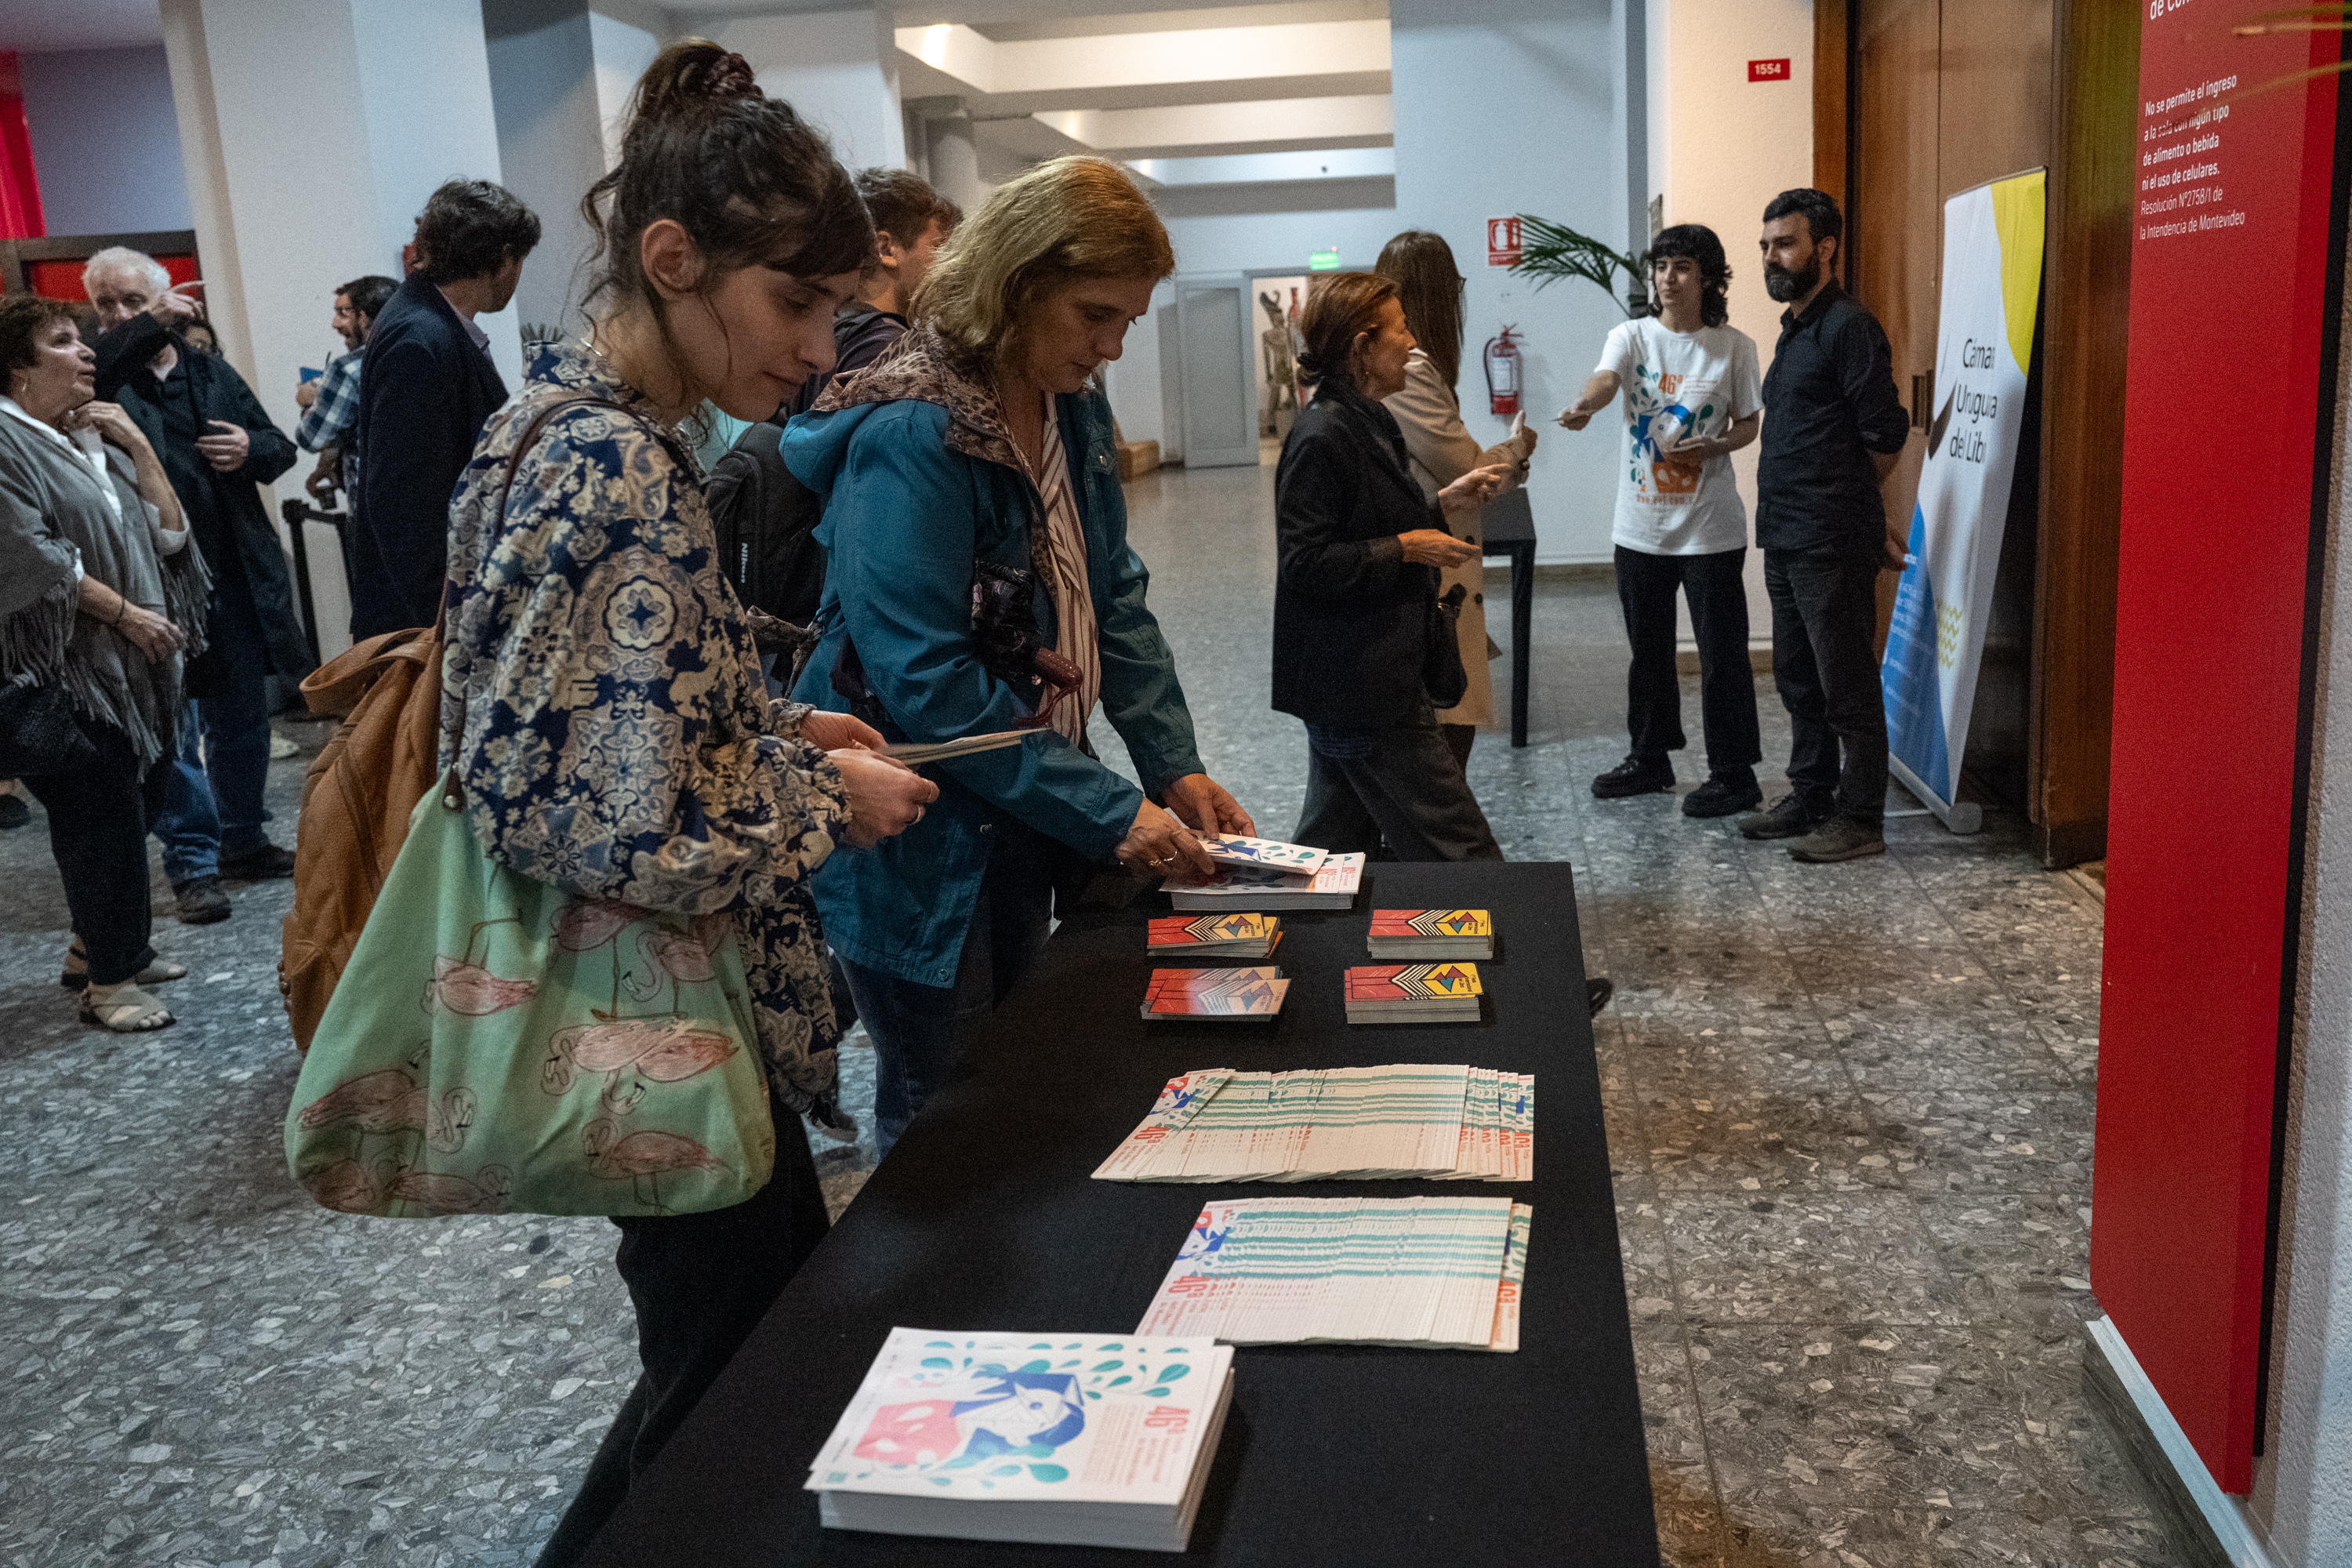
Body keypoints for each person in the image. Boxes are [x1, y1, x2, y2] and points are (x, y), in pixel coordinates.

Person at [437, 43, 937, 1565]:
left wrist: (770, 721)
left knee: (732, 1351)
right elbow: (599, 817)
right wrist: (816, 797)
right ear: (673, 260)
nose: (813, 350)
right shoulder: (617, 467)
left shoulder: (569, 429)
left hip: (664, 1010)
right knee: (738, 1384)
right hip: (655, 1016)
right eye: (793, 305)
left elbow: (592, 721)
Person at [788, 154, 1255, 1157]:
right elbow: (924, 678)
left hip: (1019, 798)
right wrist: (1104, 805)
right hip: (921, 831)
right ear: (1017, 284)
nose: (1112, 346)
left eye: (1128, 320)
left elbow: (1112, 592)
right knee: (945, 1107)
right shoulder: (916, 430)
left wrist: (1172, 762)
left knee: (1020, 1067)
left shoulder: (1069, 403)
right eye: (1096, 314)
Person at [0, 295, 207, 1029]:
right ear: (18, 368)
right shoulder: (6, 441)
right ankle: (111, 985)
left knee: (140, 797)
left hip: (138, 662)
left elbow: (172, 538)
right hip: (69, 668)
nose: (88, 351)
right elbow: (32, 559)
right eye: (63, 341)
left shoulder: (89, 436)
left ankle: (103, 945)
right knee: (102, 815)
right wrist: (126, 614)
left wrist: (140, 446)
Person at [87, 245, 309, 918]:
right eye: (108, 304)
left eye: (133, 300)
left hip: (233, 571)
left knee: (241, 712)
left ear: (163, 298)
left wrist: (249, 449)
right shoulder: (101, 380)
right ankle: (194, 862)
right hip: (151, 578)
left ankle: (243, 838)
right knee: (175, 722)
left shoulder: (211, 371)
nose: (121, 315)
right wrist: (149, 321)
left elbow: (279, 447)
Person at [1272, 270, 1508, 862]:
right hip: (1361, 682)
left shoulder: (1370, 420)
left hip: (1364, 676)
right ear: (1361, 346)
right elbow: (1305, 562)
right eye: (1401, 331)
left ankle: (1309, 949)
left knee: (1333, 854)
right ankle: (1487, 941)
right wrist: (1406, 548)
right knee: (1463, 853)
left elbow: (1368, 523)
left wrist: (1442, 504)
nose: (1413, 344)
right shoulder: (1321, 435)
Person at [1559, 223, 1765, 818]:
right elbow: (1608, 379)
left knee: (1721, 654)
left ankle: (1734, 774)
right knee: (1647, 652)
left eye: (1681, 267)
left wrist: (1717, 448)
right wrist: (1587, 405)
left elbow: (1750, 423)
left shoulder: (1735, 347)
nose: (1668, 278)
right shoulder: (1632, 336)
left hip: (1711, 529)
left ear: (1707, 278)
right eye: (1662, 266)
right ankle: (1650, 759)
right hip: (1641, 528)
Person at [1742, 188, 1911, 862]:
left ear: (1826, 248)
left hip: (1828, 541)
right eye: (1765, 246)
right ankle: (1810, 795)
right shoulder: (1796, 327)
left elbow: (1884, 433)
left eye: (1784, 243)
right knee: (1798, 677)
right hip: (1784, 535)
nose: (1771, 258)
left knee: (1846, 683)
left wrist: (1852, 508)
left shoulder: (1849, 327)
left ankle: (1861, 818)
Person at [349, 178, 541, 639]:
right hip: (426, 624)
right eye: (521, 261)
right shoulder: (421, 338)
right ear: (502, 258)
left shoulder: (426, 320)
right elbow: (403, 501)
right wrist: (452, 625)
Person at [1374, 230, 1537, 771]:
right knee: (1445, 749)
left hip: (1425, 569)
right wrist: (1517, 447)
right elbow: (1472, 472)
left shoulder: (1407, 370)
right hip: (1431, 572)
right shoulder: (1415, 371)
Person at [780, 165, 960, 418]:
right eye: (940, 248)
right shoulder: (887, 347)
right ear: (886, 249)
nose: (952, 265)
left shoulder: (828, 330)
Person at [295, 273, 397, 504]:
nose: (335, 323)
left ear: (364, 316)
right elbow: (362, 428)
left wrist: (310, 401)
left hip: (376, 504)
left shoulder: (348, 369)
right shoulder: (422, 352)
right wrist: (326, 465)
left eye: (343, 313)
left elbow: (312, 438)